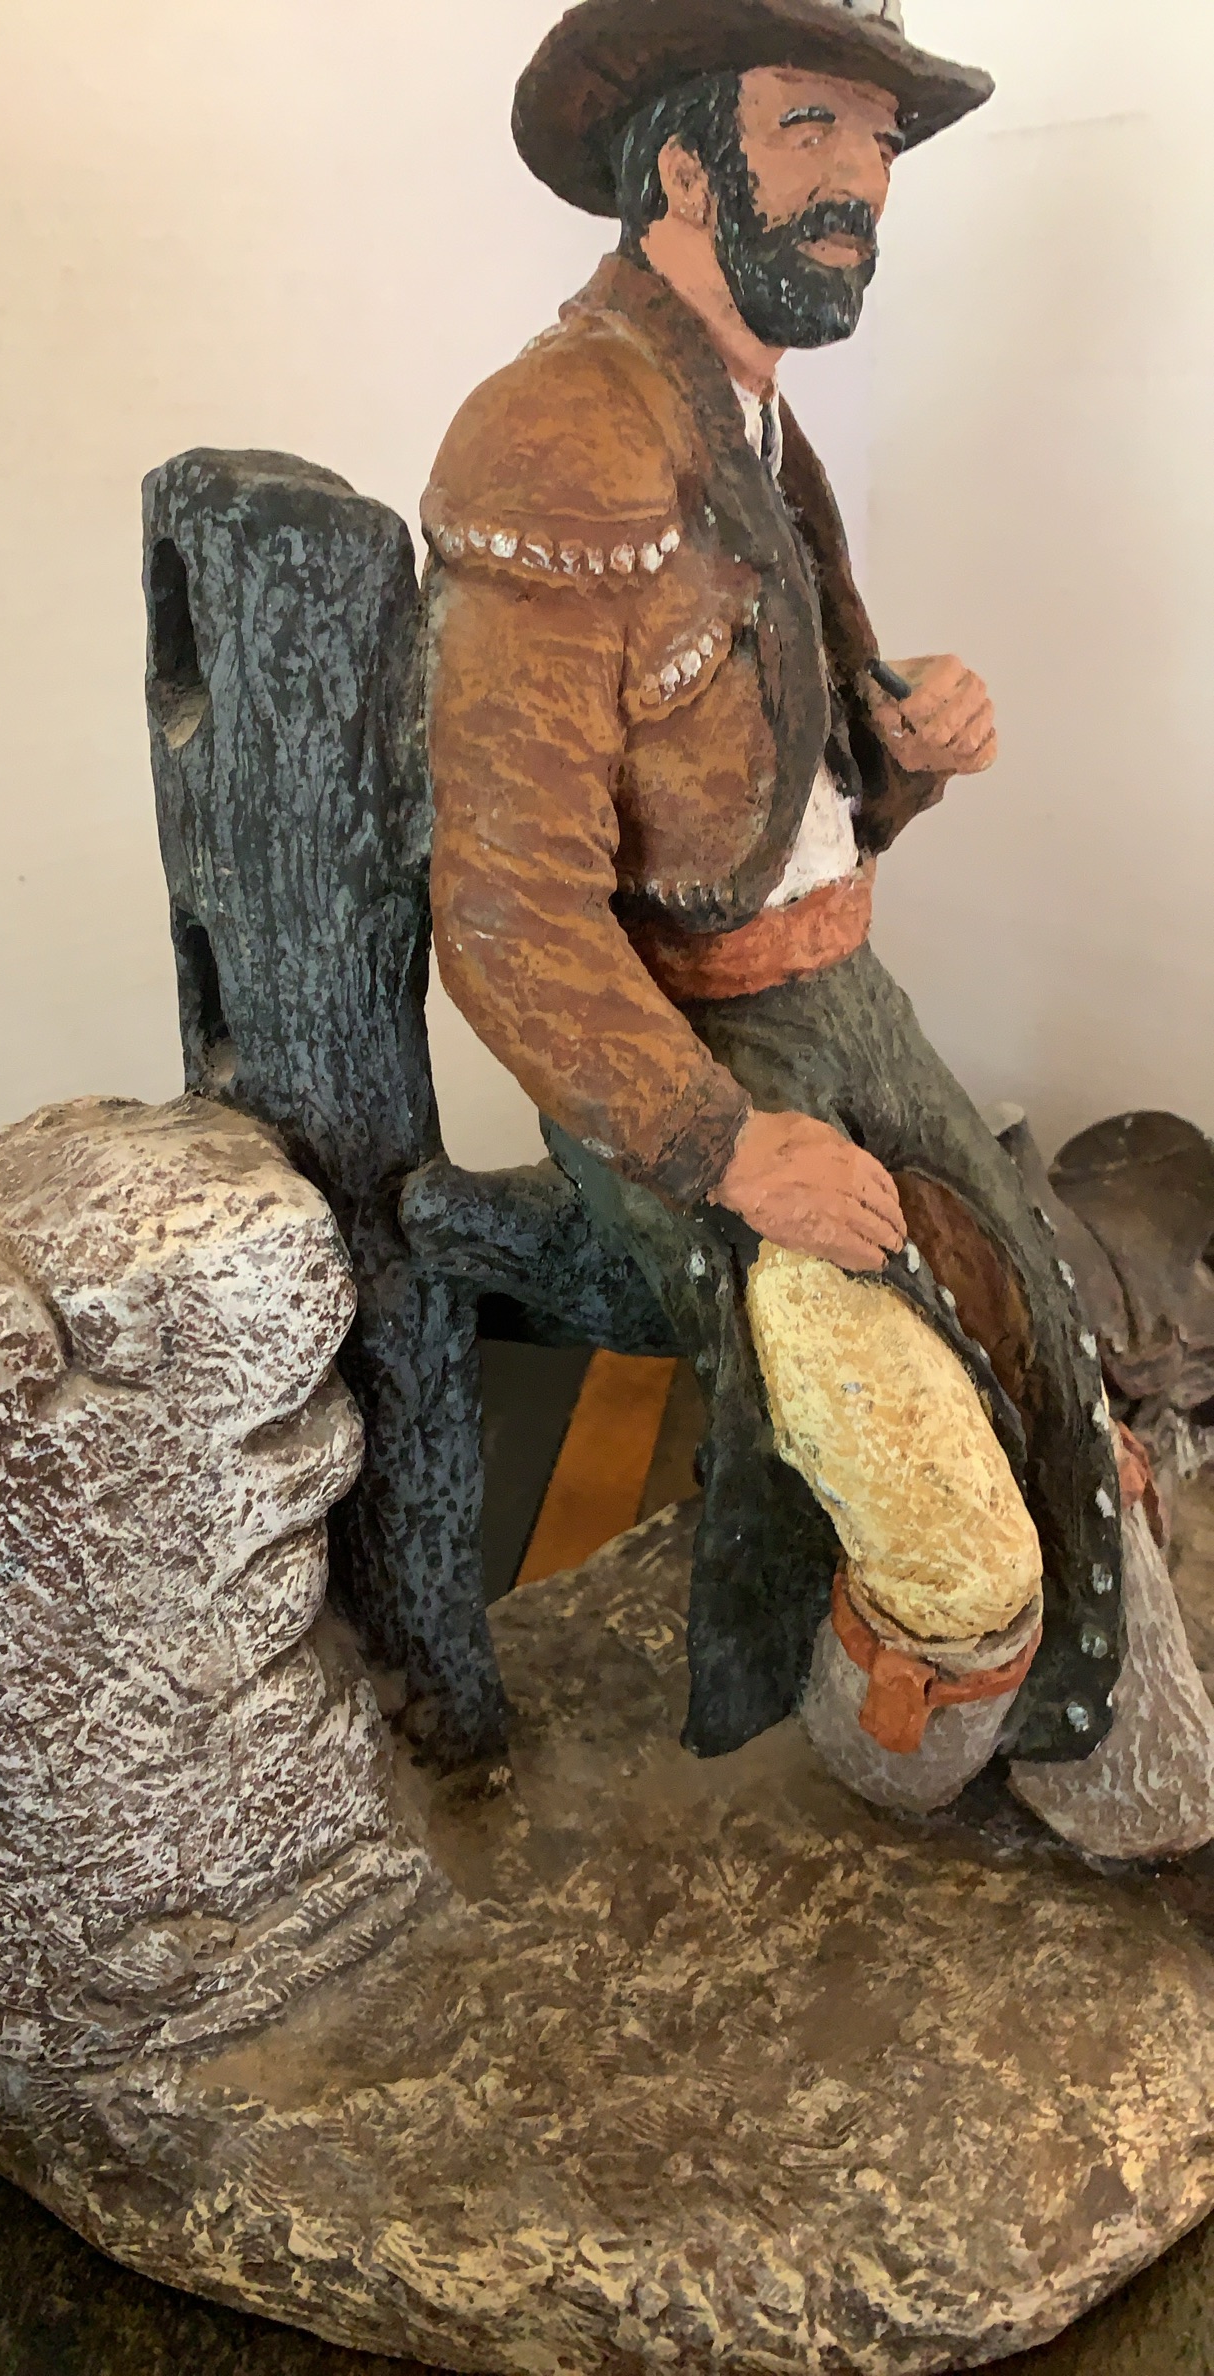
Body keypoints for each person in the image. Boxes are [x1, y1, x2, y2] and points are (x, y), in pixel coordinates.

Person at [420, 0, 1214, 1845]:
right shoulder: (559, 433)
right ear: (682, 167)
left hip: (842, 991)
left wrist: (903, 739)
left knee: (1065, 1394)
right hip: (686, 1051)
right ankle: (898, 1758)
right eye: (808, 128)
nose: (862, 178)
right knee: (946, 1533)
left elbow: (779, 771)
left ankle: (1128, 1788)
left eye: (875, 138)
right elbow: (507, 905)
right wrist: (724, 1148)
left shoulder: (751, 421)